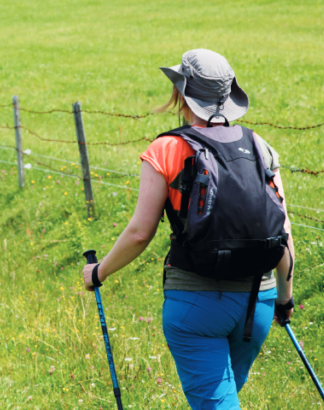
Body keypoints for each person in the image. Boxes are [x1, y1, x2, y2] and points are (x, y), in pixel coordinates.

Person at [79, 49, 295, 409]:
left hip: (195, 304)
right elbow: (284, 234)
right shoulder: (260, 147)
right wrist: (285, 299)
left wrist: (98, 272)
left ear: (181, 94)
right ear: (227, 97)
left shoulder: (166, 149)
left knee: (216, 403)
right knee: (223, 398)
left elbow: (139, 233)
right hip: (258, 302)